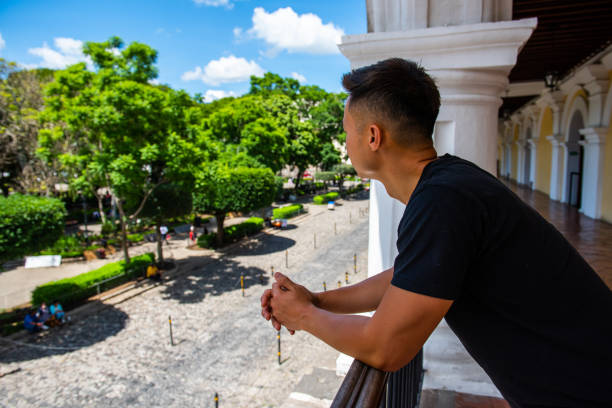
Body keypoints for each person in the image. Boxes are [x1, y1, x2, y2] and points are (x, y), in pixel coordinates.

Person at [260, 58, 612, 408]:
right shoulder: (451, 182)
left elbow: (385, 348)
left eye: (346, 130)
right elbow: (409, 278)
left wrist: (303, 316)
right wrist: (318, 301)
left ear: (372, 136)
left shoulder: (442, 200)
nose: (345, 141)